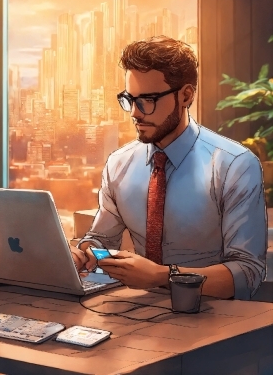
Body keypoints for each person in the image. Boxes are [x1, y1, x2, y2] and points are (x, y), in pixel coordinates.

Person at [71, 36, 267, 301]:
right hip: (137, 310)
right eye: (130, 99)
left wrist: (163, 276)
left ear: (186, 95)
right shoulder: (119, 163)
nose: (135, 113)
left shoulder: (234, 164)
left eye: (148, 100)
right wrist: (84, 251)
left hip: (212, 316)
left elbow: (247, 274)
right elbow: (102, 240)